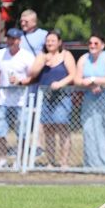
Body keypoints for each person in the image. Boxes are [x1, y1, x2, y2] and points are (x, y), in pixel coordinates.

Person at [29, 30, 76, 167]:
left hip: (62, 97)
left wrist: (60, 84)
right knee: (48, 130)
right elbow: (32, 73)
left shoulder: (66, 55)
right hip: (45, 97)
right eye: (48, 41)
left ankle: (64, 162)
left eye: (53, 40)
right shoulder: (42, 56)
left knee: (62, 127)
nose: (49, 43)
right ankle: (50, 161)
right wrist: (42, 61)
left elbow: (73, 74)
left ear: (59, 42)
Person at [74, 34, 105, 168]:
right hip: (90, 98)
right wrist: (90, 84)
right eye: (90, 43)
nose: (92, 46)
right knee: (90, 129)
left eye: (96, 43)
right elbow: (77, 80)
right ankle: (92, 164)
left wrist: (93, 80)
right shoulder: (83, 59)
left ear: (102, 45)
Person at [0, 28, 35, 169]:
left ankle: (19, 160)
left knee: (21, 132)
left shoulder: (27, 56)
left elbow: (33, 76)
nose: (11, 41)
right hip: (3, 100)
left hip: (22, 101)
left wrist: (21, 81)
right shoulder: (0, 54)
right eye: (9, 38)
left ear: (19, 40)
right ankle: (2, 159)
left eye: (14, 39)